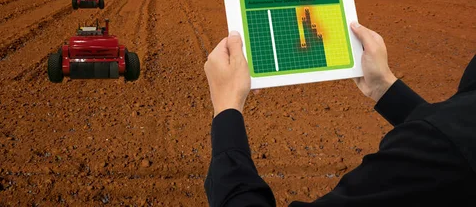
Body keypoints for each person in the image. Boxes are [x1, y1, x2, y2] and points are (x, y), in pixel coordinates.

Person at [203, 22, 476, 206]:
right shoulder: (452, 142)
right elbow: (453, 134)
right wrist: (385, 88)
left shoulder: (443, 155)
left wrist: (227, 108)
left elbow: (447, 147)